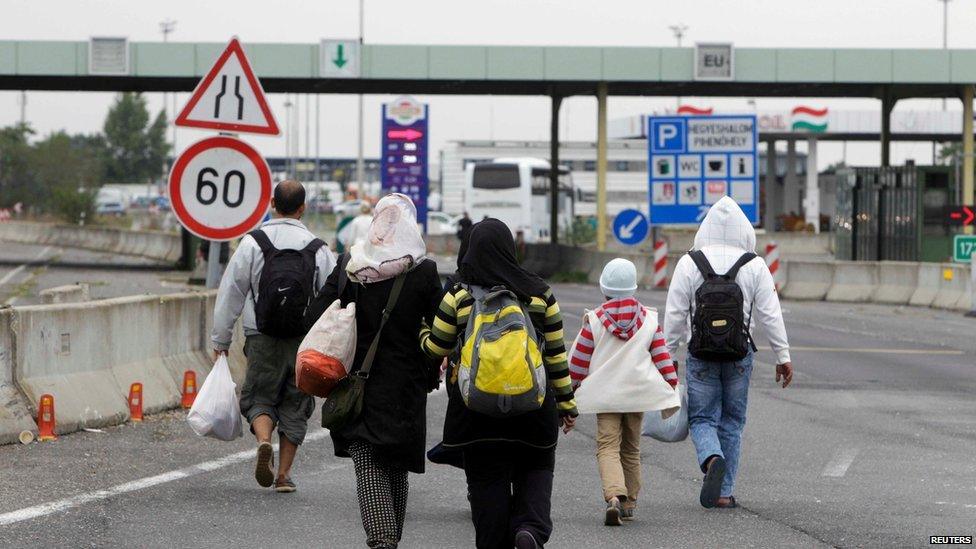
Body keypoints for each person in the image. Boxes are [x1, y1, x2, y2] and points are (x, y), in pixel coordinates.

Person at [420, 218, 578, 549]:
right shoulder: (540, 294)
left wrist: (422, 331)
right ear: (510, 249)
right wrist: (566, 404)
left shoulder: (459, 295)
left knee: (486, 483)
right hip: (533, 410)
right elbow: (556, 359)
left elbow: (436, 348)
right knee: (535, 468)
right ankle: (529, 529)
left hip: (476, 413)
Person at [304, 193, 442, 549]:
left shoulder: (352, 264)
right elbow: (441, 327)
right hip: (407, 384)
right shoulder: (423, 270)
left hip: (358, 381)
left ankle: (382, 540)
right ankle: (388, 539)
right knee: (395, 462)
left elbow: (318, 312)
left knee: (366, 456)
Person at [664, 196, 793, 510]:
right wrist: (783, 356)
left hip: (701, 355)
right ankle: (723, 492)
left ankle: (711, 459)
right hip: (739, 356)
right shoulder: (755, 265)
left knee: (702, 418)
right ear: (744, 230)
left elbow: (675, 314)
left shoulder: (689, 262)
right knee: (732, 422)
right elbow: (770, 314)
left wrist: (667, 355)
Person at [211, 180, 337, 493]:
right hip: (303, 339)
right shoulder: (318, 248)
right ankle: (283, 475)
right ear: (302, 207)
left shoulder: (253, 243)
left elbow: (231, 292)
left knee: (259, 396)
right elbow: (333, 297)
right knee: (296, 402)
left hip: (260, 335)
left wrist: (221, 340)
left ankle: (264, 440)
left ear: (272, 204)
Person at [568, 258, 680, 526]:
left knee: (607, 447)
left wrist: (568, 392)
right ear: (633, 287)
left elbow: (578, 363)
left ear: (603, 287)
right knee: (631, 448)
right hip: (637, 395)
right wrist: (671, 385)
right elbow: (662, 357)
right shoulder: (649, 320)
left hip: (606, 397)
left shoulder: (593, 320)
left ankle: (614, 497)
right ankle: (630, 502)